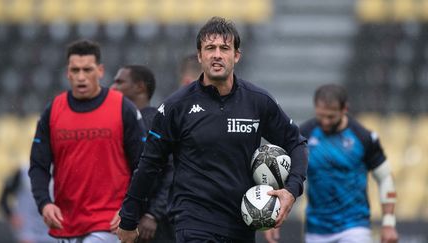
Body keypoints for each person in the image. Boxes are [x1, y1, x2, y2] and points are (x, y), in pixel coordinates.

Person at [116, 16, 308, 243]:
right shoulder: (176, 106)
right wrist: (129, 217)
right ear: (200, 56)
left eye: (224, 48)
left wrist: (291, 190)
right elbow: (149, 164)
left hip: (242, 223)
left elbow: (296, 143)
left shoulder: (258, 101)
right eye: (210, 48)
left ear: (236, 56)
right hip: (193, 221)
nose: (217, 54)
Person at [28, 39, 147, 242]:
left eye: (87, 69)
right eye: (75, 70)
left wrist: (130, 210)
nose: (81, 77)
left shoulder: (122, 108)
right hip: (66, 225)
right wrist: (44, 203)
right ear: (68, 73)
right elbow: (38, 165)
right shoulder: (53, 111)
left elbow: (143, 165)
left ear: (100, 71)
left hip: (108, 224)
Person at [298, 84, 398, 243]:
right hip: (316, 229)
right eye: (320, 115)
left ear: (345, 109)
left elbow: (385, 178)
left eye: (330, 117)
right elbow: (283, 171)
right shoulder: (303, 135)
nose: (325, 121)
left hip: (354, 227)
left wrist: (388, 224)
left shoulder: (363, 137)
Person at [112, 65, 175, 243]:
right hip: (126, 220)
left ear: (139, 87)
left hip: (153, 226)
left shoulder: (155, 123)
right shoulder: (124, 124)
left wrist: (153, 214)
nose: (113, 87)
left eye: (119, 82)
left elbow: (172, 171)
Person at [0, 165, 55, 243]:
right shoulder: (23, 172)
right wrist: (11, 216)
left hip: (53, 231)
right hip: (28, 230)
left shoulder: (64, 172)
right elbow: (3, 198)